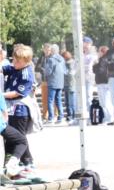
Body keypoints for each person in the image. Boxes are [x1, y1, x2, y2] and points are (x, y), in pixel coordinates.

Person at [2, 44, 37, 176]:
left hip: (20, 110)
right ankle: (9, 163)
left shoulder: (27, 74)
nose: (14, 63)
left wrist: (1, 95)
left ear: (26, 62)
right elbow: (4, 69)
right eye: (13, 60)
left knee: (19, 137)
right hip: (10, 109)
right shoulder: (14, 67)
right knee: (10, 138)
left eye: (17, 61)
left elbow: (17, 93)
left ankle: (28, 162)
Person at [43, 44, 67, 124]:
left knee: (50, 100)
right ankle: (60, 117)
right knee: (58, 100)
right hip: (60, 82)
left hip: (52, 82)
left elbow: (48, 72)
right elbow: (65, 71)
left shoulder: (51, 60)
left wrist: (44, 70)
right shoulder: (62, 59)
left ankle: (51, 118)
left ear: (53, 51)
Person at [93, 46, 111, 124]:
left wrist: (95, 65)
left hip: (103, 82)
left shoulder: (103, 60)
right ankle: (108, 117)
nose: (98, 53)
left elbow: (99, 71)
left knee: (105, 102)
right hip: (104, 82)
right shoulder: (106, 59)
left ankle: (109, 117)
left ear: (102, 52)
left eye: (99, 51)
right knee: (104, 101)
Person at [62, 50, 77, 123]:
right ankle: (70, 116)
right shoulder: (65, 64)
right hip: (67, 84)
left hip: (71, 85)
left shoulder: (70, 63)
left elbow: (69, 74)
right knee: (68, 102)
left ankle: (73, 116)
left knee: (71, 102)